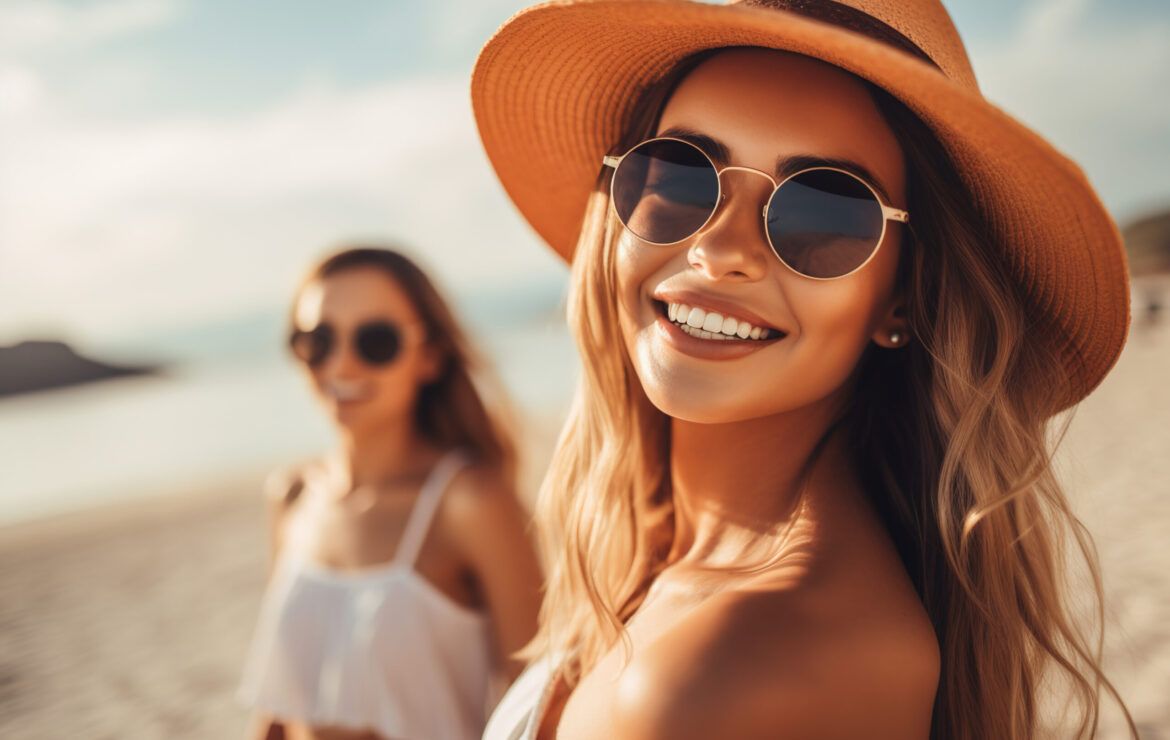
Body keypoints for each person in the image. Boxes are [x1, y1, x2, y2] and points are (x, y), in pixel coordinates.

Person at [470, 1, 1137, 738]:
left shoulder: (730, 672)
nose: (720, 249)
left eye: (823, 214)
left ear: (903, 301)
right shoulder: (663, 558)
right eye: (683, 176)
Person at [237, 246, 543, 740]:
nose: (340, 364)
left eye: (375, 341)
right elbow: (279, 707)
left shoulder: (469, 501)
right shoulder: (292, 497)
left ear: (430, 357)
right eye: (317, 340)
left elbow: (535, 704)